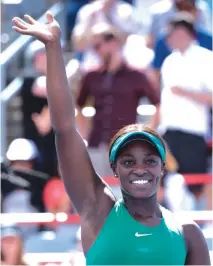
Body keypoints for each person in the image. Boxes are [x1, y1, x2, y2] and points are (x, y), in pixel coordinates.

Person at [12, 13, 211, 265]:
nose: (140, 168)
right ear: (114, 169)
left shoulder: (188, 233)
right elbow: (64, 127)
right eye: (128, 161)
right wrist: (53, 49)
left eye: (149, 160)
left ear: (162, 167)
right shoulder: (99, 211)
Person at [152, 13, 213, 206]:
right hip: (167, 131)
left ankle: (200, 227)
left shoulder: (205, 58)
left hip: (193, 131)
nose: (168, 38)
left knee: (196, 184)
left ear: (184, 32)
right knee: (161, 180)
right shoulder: (169, 61)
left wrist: (186, 93)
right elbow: (163, 99)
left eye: (172, 33)